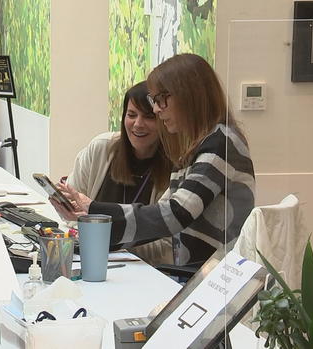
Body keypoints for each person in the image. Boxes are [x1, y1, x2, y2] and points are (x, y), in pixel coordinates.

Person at [54, 53, 255, 267]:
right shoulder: (198, 144)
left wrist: (94, 210)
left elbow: (174, 214)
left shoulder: (219, 144)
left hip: (212, 275)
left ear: (187, 96)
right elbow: (163, 219)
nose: (157, 109)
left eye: (160, 100)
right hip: (193, 269)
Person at [63, 81, 174, 264]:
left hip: (144, 273)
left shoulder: (175, 168)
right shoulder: (101, 148)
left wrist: (106, 243)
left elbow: (167, 245)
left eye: (148, 117)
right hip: (91, 261)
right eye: (131, 115)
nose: (138, 124)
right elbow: (71, 220)